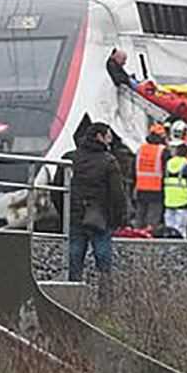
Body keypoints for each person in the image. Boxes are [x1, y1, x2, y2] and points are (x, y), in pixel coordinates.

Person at [66, 123, 128, 294]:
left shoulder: (70, 158)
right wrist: (117, 219)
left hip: (75, 216)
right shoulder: (109, 162)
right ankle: (105, 299)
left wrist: (65, 212)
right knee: (103, 260)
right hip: (100, 219)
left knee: (74, 258)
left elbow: (58, 189)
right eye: (108, 135)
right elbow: (117, 194)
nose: (111, 139)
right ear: (99, 137)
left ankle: (72, 297)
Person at [133, 123, 167, 228]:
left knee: (140, 215)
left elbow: (133, 168)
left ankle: (136, 237)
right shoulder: (162, 150)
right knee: (153, 218)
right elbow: (166, 169)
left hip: (141, 187)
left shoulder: (141, 149)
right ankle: (150, 239)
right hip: (156, 188)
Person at [162, 140, 187, 238]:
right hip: (183, 201)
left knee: (169, 229)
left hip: (169, 200)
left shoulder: (168, 163)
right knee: (181, 230)